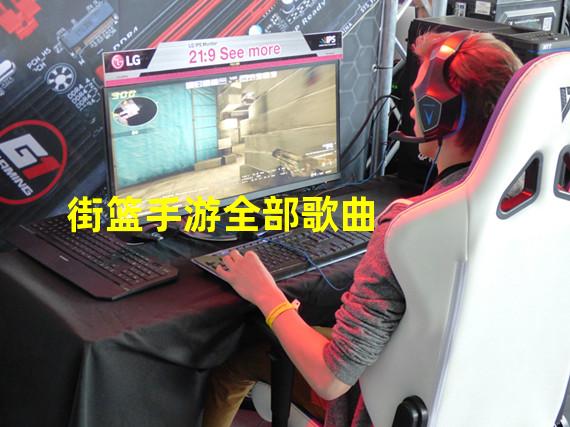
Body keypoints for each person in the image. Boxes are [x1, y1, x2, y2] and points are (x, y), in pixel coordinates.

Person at [202, 31, 523, 427]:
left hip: (384, 408)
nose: (410, 114)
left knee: (240, 356)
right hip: (476, 405)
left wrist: (266, 294)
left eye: (418, 103)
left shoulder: (410, 228)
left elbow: (330, 377)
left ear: (439, 115)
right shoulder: (533, 207)